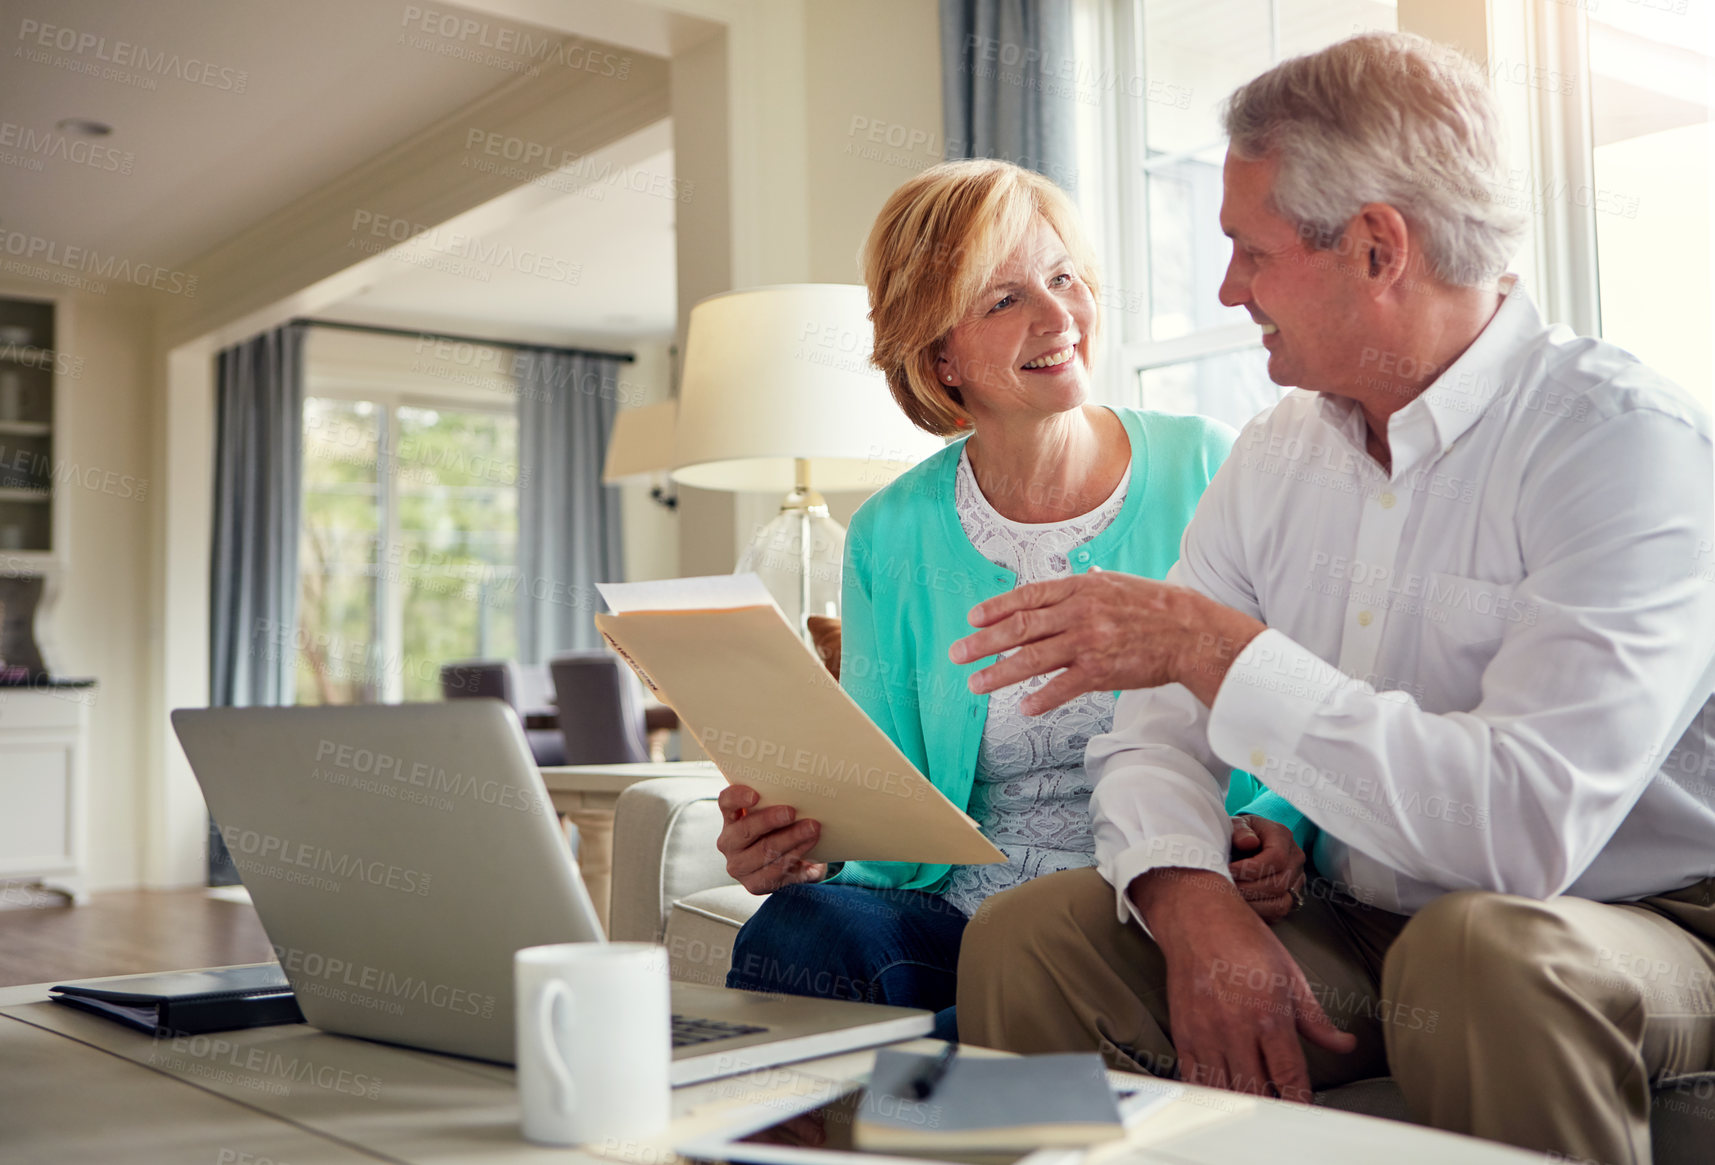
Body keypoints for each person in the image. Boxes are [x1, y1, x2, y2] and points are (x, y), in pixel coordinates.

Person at [950, 31, 1715, 1165]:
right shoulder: (1277, 453)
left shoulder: (1616, 446)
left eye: (1247, 251)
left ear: (1373, 248)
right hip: (1367, 916)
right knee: (1034, 936)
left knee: (1478, 952)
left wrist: (1218, 652)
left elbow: (1517, 838)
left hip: (1641, 919)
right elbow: (1150, 733)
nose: (1226, 289)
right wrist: (1186, 896)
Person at [716, 159, 1314, 1042]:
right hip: (963, 914)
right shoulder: (891, 529)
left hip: (1161, 900)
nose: (1056, 316)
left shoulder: (1206, 464)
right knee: (797, 930)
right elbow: (881, 784)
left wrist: (1274, 824)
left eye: (1063, 277)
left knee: (989, 1019)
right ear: (938, 353)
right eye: (1003, 300)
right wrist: (806, 837)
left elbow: (1300, 682)